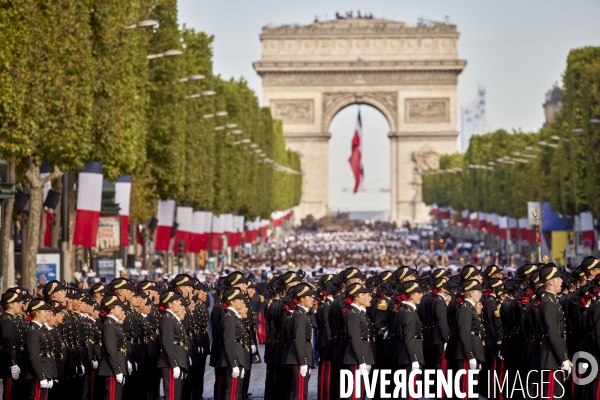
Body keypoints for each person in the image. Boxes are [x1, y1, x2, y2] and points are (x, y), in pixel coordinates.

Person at [538, 265, 570, 399]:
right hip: (551, 356)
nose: (561, 281)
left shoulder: (552, 300)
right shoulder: (549, 302)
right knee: (551, 393)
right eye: (558, 279)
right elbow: (553, 332)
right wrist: (563, 358)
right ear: (551, 282)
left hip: (553, 355)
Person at [340, 283, 374, 400]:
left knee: (359, 393)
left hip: (362, 355)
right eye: (363, 294)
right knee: (355, 393)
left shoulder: (359, 313)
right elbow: (355, 338)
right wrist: (362, 360)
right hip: (356, 358)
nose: (366, 296)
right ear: (356, 297)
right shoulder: (353, 314)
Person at [452, 279, 485, 397]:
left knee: (472, 389)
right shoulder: (465, 309)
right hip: (467, 354)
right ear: (471, 293)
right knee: (466, 388)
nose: (481, 294)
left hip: (473, 351)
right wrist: (470, 356)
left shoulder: (470, 308)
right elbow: (464, 334)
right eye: (478, 292)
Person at [219, 287, 251, 400]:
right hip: (233, 360)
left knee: (236, 393)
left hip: (238, 357)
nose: (242, 301)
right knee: (232, 393)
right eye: (239, 299)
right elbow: (229, 342)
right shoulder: (229, 317)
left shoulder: (233, 317)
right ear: (232, 301)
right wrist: (234, 364)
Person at [285, 283, 316, 400]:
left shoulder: (301, 314)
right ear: (302, 299)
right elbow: (299, 339)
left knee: (298, 392)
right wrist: (303, 361)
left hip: (300, 357)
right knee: (300, 393)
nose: (312, 299)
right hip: (299, 359)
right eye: (309, 297)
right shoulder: (301, 316)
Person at [157, 290, 189, 400]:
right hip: (171, 361)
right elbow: (168, 342)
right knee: (171, 394)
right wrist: (174, 364)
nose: (180, 303)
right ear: (170, 304)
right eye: (176, 301)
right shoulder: (167, 318)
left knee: (176, 394)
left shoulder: (172, 318)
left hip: (177, 358)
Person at [97, 295, 127, 400]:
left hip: (116, 366)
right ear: (112, 310)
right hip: (111, 369)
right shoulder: (110, 325)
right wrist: (117, 370)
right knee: (112, 397)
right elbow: (111, 350)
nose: (121, 310)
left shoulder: (113, 324)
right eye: (119, 307)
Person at [25, 299, 54, 400]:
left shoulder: (40, 329)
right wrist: (41, 377)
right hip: (37, 374)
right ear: (37, 313)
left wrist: (49, 375)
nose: (47, 314)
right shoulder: (33, 331)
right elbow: (34, 356)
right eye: (44, 311)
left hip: (44, 372)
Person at [1, 290, 26, 400]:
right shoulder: (7, 320)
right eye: (17, 302)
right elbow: (7, 344)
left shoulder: (13, 319)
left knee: (17, 394)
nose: (21, 304)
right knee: (10, 395)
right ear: (11, 305)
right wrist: (13, 364)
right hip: (11, 363)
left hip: (18, 360)